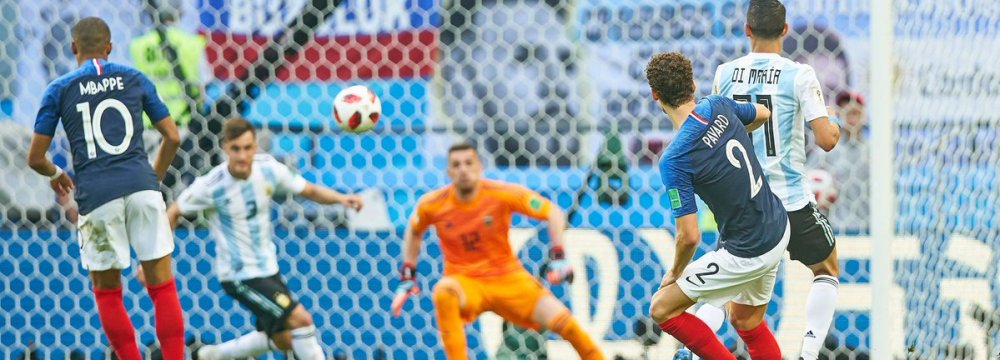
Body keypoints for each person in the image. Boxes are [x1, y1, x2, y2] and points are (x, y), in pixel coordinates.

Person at [26, 17, 185, 360]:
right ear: (110, 47)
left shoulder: (60, 88)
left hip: (97, 197)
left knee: (108, 292)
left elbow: (35, 158)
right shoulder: (135, 78)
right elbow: (173, 136)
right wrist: (152, 178)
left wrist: (55, 172)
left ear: (73, 49)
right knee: (162, 286)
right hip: (142, 188)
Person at [150, 117, 363, 360]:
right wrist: (153, 261)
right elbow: (174, 211)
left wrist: (342, 199)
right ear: (225, 148)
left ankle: (209, 355)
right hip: (239, 274)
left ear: (255, 147)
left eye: (248, 148)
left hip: (268, 269)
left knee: (284, 339)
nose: (242, 156)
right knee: (301, 320)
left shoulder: (269, 170)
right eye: (236, 149)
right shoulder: (212, 185)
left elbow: (309, 190)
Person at [708, 1, 843, 359]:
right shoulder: (798, 74)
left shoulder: (724, 74)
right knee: (826, 267)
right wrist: (834, 119)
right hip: (789, 202)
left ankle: (692, 348)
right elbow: (827, 140)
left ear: (747, 30)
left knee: (736, 309)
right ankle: (809, 354)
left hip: (746, 204)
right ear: (785, 31)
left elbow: (716, 136)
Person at [392, 143, 603, 360]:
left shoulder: (500, 194)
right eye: (456, 165)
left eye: (468, 163)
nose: (463, 169)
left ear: (480, 166)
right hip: (466, 282)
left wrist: (559, 256)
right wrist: (408, 272)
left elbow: (553, 212)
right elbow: (414, 230)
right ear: (448, 171)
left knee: (567, 326)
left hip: (507, 279)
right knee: (444, 291)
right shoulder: (432, 204)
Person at [646, 51, 788, 359]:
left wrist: (674, 272)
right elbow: (762, 114)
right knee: (746, 320)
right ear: (694, 85)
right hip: (777, 227)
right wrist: (728, 132)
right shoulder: (718, 105)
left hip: (748, 250)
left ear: (655, 95)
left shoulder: (674, 159)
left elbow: (689, 237)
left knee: (662, 307)